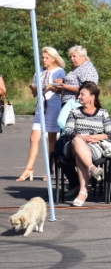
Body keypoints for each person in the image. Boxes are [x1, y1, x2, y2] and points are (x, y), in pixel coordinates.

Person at [62, 82, 111, 207]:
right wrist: (81, 137)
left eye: (82, 94)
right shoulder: (74, 112)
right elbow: (68, 130)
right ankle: (92, 169)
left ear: (92, 97)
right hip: (73, 144)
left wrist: (100, 136)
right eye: (79, 94)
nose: (79, 97)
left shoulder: (103, 113)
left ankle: (83, 191)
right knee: (77, 142)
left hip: (95, 146)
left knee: (80, 157)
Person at [18, 47, 66, 182]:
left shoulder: (59, 71)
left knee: (51, 138)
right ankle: (29, 168)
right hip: (41, 106)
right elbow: (35, 93)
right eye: (43, 58)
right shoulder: (38, 71)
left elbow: (61, 90)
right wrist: (33, 88)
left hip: (53, 106)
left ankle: (49, 169)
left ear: (53, 58)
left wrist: (52, 87)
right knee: (34, 137)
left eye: (46, 58)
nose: (44, 60)